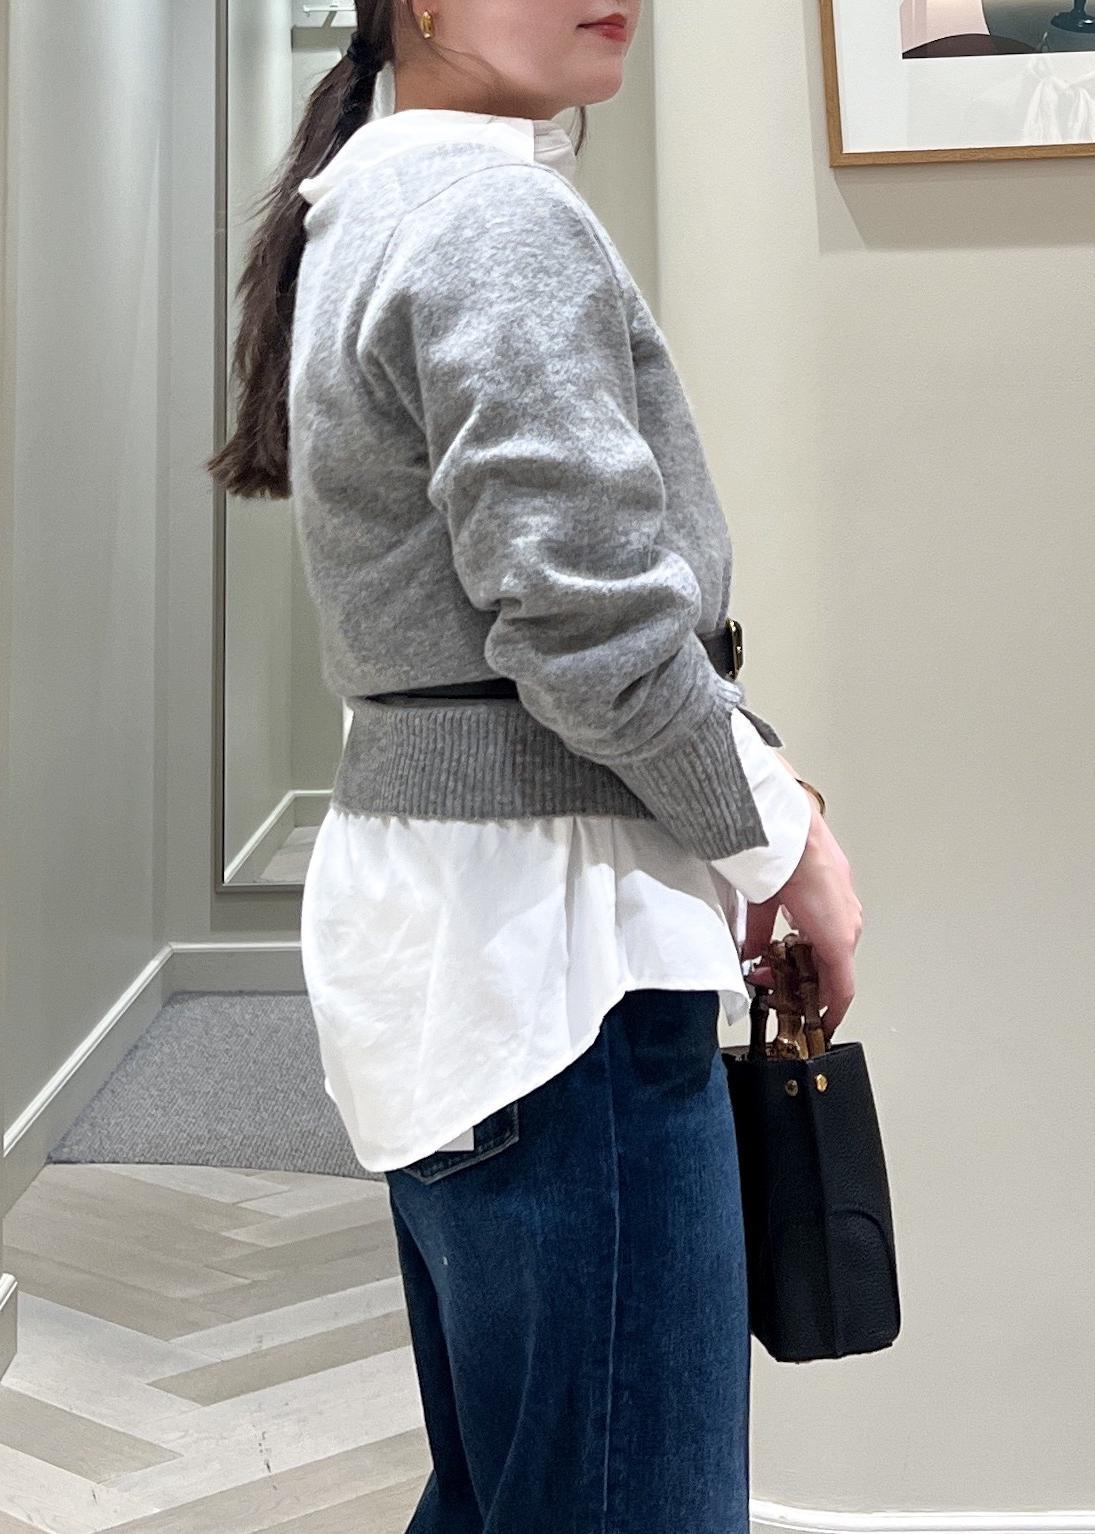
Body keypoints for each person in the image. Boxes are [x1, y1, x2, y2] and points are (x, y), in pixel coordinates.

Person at [207, 2, 863, 1529]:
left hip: (457, 948)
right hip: (561, 971)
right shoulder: (492, 215)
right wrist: (789, 843)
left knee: (516, 1488)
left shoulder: (368, 201)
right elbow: (589, 632)